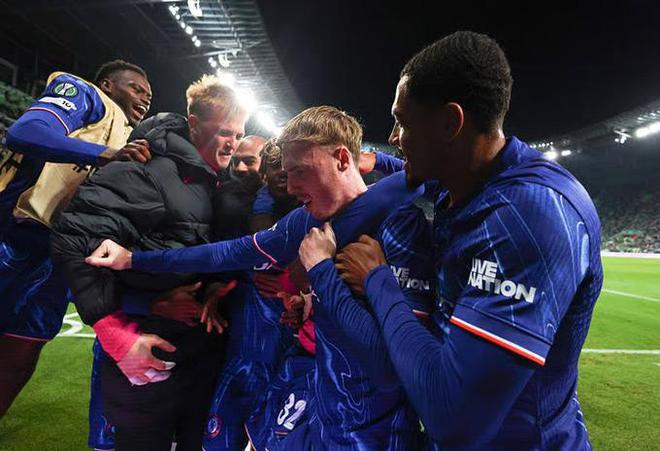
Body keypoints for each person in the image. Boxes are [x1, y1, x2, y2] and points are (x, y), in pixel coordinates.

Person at [301, 31, 603, 449]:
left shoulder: (530, 216)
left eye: (402, 122)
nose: (394, 137)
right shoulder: (457, 185)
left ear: (449, 124)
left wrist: (377, 280)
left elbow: (455, 419)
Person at [51, 74, 250, 450]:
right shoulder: (146, 169)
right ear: (194, 124)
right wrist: (116, 333)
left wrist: (214, 287)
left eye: (239, 134)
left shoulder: (219, 183)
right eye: (225, 132)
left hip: (201, 353)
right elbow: (74, 236)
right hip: (150, 348)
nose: (233, 143)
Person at [0, 59, 152, 418]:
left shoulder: (131, 140)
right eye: (136, 88)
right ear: (108, 85)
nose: (145, 98)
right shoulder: (86, 95)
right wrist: (104, 155)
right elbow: (27, 131)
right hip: (13, 235)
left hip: (57, 257)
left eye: (149, 96)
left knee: (23, 348)